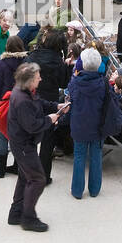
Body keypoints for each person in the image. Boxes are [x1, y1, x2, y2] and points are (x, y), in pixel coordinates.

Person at [6, 62, 67, 233]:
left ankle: (16, 213)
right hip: (24, 145)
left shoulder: (23, 92)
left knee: (25, 177)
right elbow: (32, 125)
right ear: (30, 81)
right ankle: (28, 218)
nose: (41, 78)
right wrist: (50, 119)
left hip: (21, 143)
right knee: (38, 179)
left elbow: (39, 102)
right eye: (38, 77)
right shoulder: (22, 100)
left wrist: (56, 106)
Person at [68, 48, 119, 199]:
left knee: (79, 157)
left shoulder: (75, 83)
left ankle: (77, 191)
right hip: (98, 126)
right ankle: (94, 190)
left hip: (79, 126)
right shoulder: (103, 84)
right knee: (96, 157)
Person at [30, 29, 70, 182]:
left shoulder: (33, 56)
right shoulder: (58, 61)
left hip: (32, 99)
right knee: (48, 139)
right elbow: (63, 83)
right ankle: (44, 175)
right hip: (51, 102)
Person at [0, 36, 27, 177]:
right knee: (18, 135)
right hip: (22, 103)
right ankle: (17, 166)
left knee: (3, 135)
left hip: (5, 105)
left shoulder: (2, 64)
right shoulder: (26, 64)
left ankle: (1, 169)